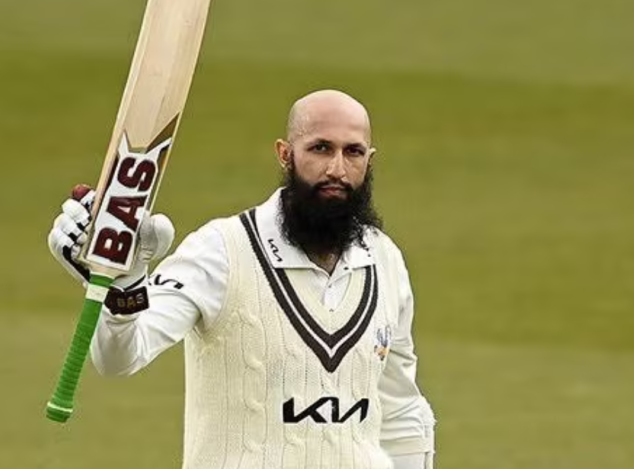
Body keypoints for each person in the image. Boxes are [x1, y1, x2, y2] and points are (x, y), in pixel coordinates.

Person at [48, 89, 436, 469]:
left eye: (353, 152)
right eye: (320, 148)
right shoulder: (221, 250)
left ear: (369, 159)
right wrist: (124, 285)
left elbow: (401, 412)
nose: (337, 169)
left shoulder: (384, 259)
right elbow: (119, 358)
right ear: (285, 153)